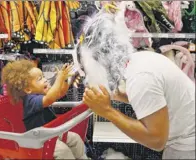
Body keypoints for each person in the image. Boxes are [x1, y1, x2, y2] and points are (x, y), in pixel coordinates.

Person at [78, 10, 195, 159]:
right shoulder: (140, 60)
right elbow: (157, 100)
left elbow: (157, 141)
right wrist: (119, 96)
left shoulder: (141, 78)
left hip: (187, 146)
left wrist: (107, 111)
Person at [1, 60, 88, 159]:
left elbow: (60, 93)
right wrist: (59, 78)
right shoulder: (30, 101)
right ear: (28, 90)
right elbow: (50, 98)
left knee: (75, 139)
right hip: (39, 141)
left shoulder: (41, 94)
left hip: (51, 134)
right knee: (63, 151)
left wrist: (64, 80)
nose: (45, 80)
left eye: (43, 76)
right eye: (40, 79)